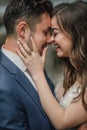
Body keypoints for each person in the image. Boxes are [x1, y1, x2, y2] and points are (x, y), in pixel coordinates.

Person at [16, 0, 87, 130]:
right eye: (48, 33)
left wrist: (37, 73)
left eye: (55, 33)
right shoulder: (72, 71)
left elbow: (62, 122)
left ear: (75, 34)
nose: (51, 39)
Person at [0, 0, 56, 130]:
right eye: (45, 32)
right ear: (23, 30)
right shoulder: (3, 86)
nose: (50, 39)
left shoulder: (33, 62)